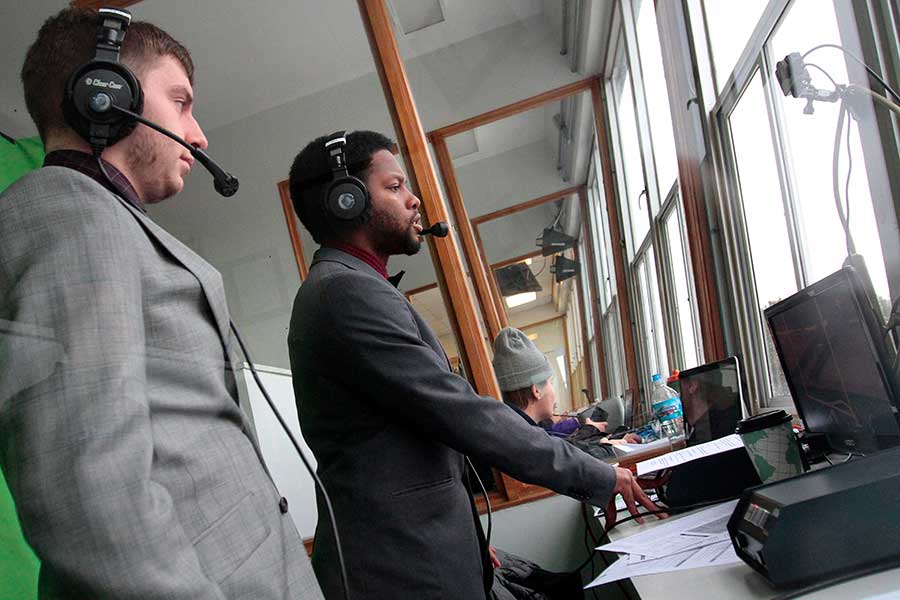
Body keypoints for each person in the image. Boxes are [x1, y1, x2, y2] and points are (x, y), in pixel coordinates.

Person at [0, 8, 322, 599]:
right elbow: (89, 496)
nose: (198, 136)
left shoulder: (106, 219)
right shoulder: (63, 211)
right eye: (181, 102)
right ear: (105, 96)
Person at [286, 130, 663, 599]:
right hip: (400, 569)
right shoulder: (347, 293)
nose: (415, 200)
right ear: (347, 200)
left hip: (415, 553)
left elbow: (406, 444)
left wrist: (464, 538)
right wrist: (598, 475)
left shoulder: (351, 288)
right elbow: (465, 415)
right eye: (396, 186)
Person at [492, 327, 642, 459]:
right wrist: (610, 447)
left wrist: (603, 444)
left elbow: (563, 451)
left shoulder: (515, 431)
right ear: (536, 390)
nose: (553, 389)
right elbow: (563, 459)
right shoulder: (526, 438)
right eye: (551, 382)